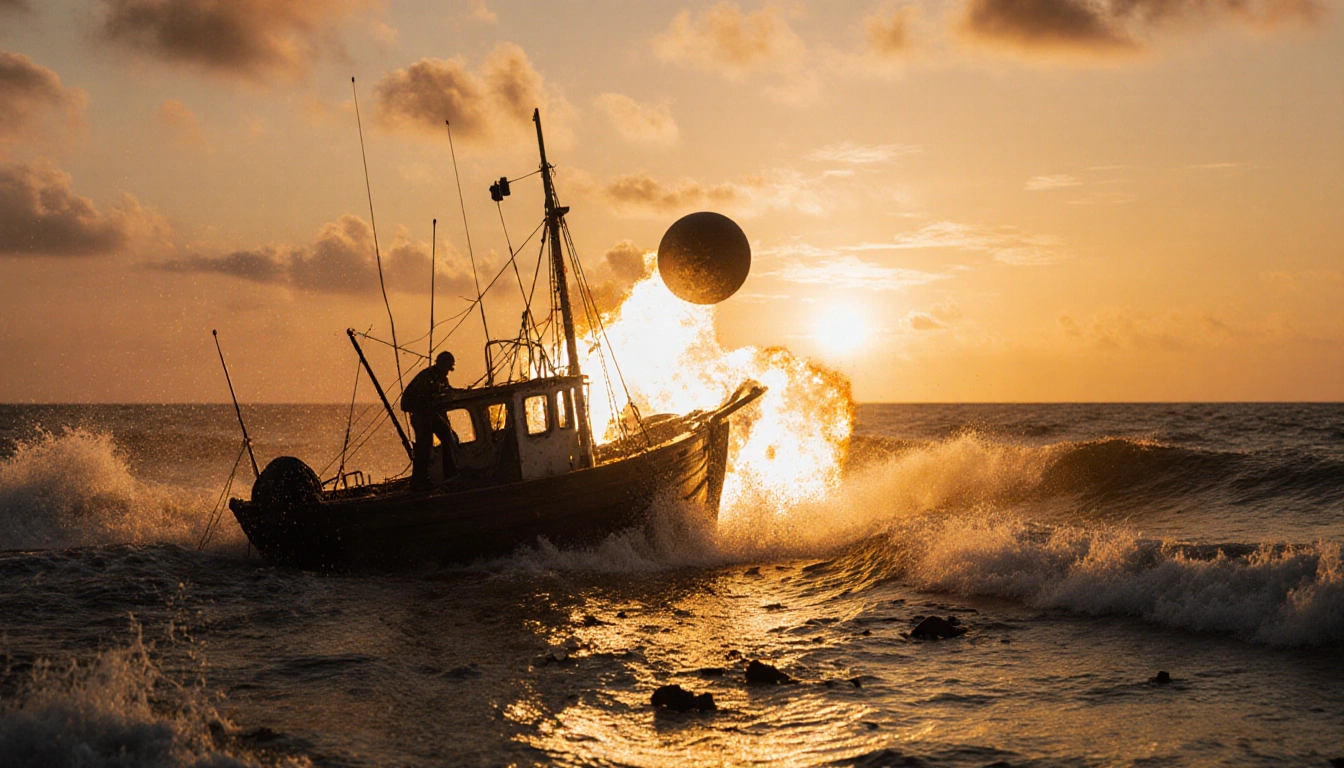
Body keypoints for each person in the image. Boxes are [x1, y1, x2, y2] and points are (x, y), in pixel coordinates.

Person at [401, 351, 459, 490]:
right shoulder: (426, 377)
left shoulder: (441, 378)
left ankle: (449, 472)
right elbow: (408, 402)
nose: (447, 372)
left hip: (431, 415)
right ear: (440, 365)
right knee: (424, 447)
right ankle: (419, 481)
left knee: (446, 435)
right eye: (446, 368)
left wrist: (462, 392)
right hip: (420, 416)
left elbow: (449, 392)